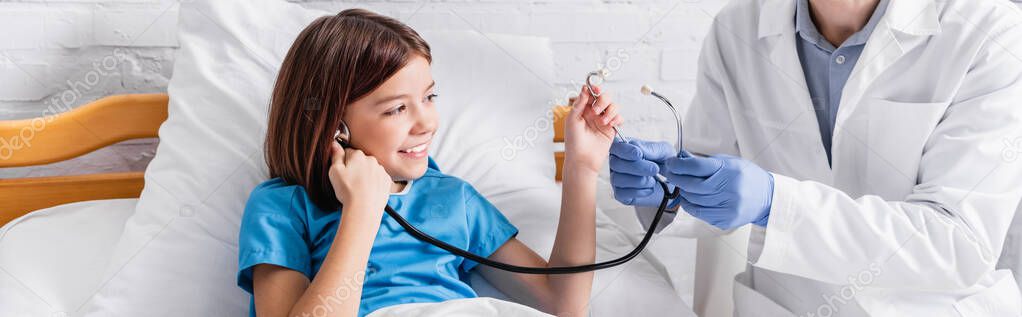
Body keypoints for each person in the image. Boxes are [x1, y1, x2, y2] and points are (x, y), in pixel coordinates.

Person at [605, 0, 1022, 315]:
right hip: (785, 304)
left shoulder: (989, 30)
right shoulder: (737, 27)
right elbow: (713, 167)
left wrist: (775, 204)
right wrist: (666, 192)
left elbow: (959, 244)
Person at [236, 9, 623, 317]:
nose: (426, 123)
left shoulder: (454, 199)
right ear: (334, 127)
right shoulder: (282, 207)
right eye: (397, 109)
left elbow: (564, 304)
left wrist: (582, 168)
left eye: (430, 97)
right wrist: (363, 210)